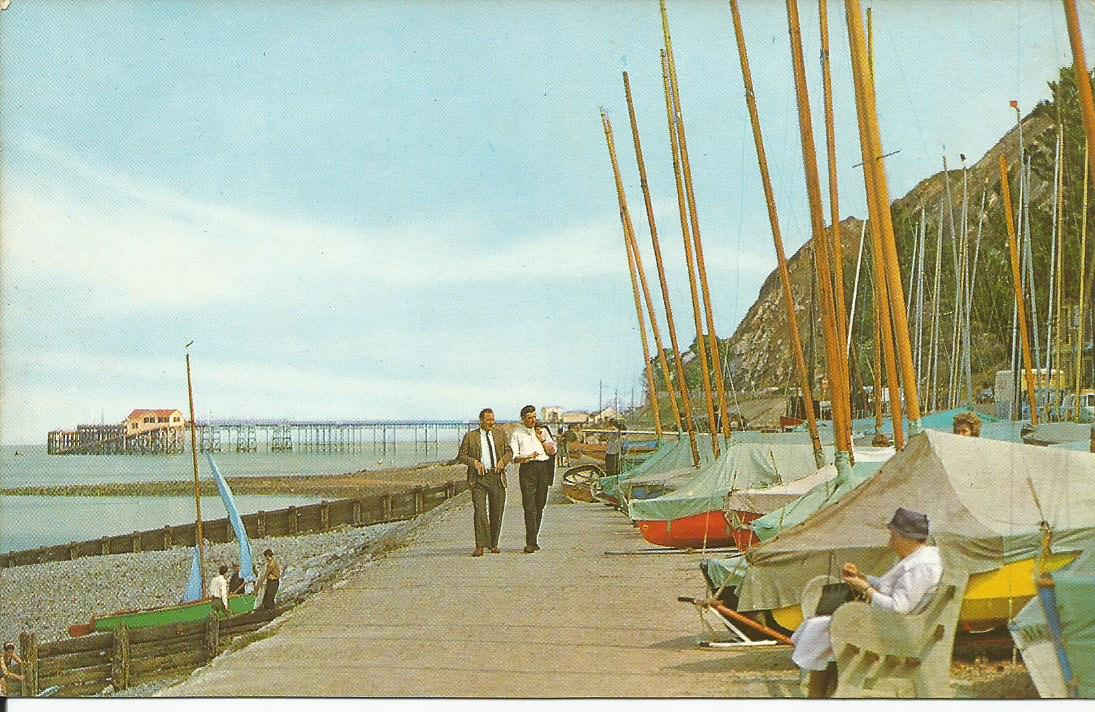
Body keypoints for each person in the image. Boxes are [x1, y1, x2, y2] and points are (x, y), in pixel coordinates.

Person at [790, 507, 943, 698]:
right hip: (894, 626)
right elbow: (890, 589)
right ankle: (823, 693)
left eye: (893, 535)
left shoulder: (921, 567)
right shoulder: (920, 559)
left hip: (898, 633)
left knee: (823, 627)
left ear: (907, 537)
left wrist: (864, 588)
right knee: (823, 629)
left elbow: (898, 608)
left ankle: (818, 695)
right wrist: (863, 578)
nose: (890, 541)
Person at [456, 408, 513, 556]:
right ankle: (480, 545)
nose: (491, 422)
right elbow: (461, 455)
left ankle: (493, 544)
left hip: (497, 476)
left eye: (492, 419)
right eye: (488, 420)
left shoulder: (500, 434)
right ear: (481, 420)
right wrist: (474, 462)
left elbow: (509, 451)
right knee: (480, 511)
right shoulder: (470, 436)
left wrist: (503, 462)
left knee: (497, 511)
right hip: (479, 479)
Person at [510, 404, 556, 553]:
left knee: (540, 505)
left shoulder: (543, 430)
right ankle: (530, 542)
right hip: (527, 469)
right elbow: (514, 457)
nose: (532, 420)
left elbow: (552, 451)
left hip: (543, 468)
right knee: (529, 507)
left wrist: (541, 439)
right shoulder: (517, 433)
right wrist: (526, 457)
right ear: (523, 419)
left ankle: (534, 539)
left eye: (534, 417)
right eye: (529, 418)